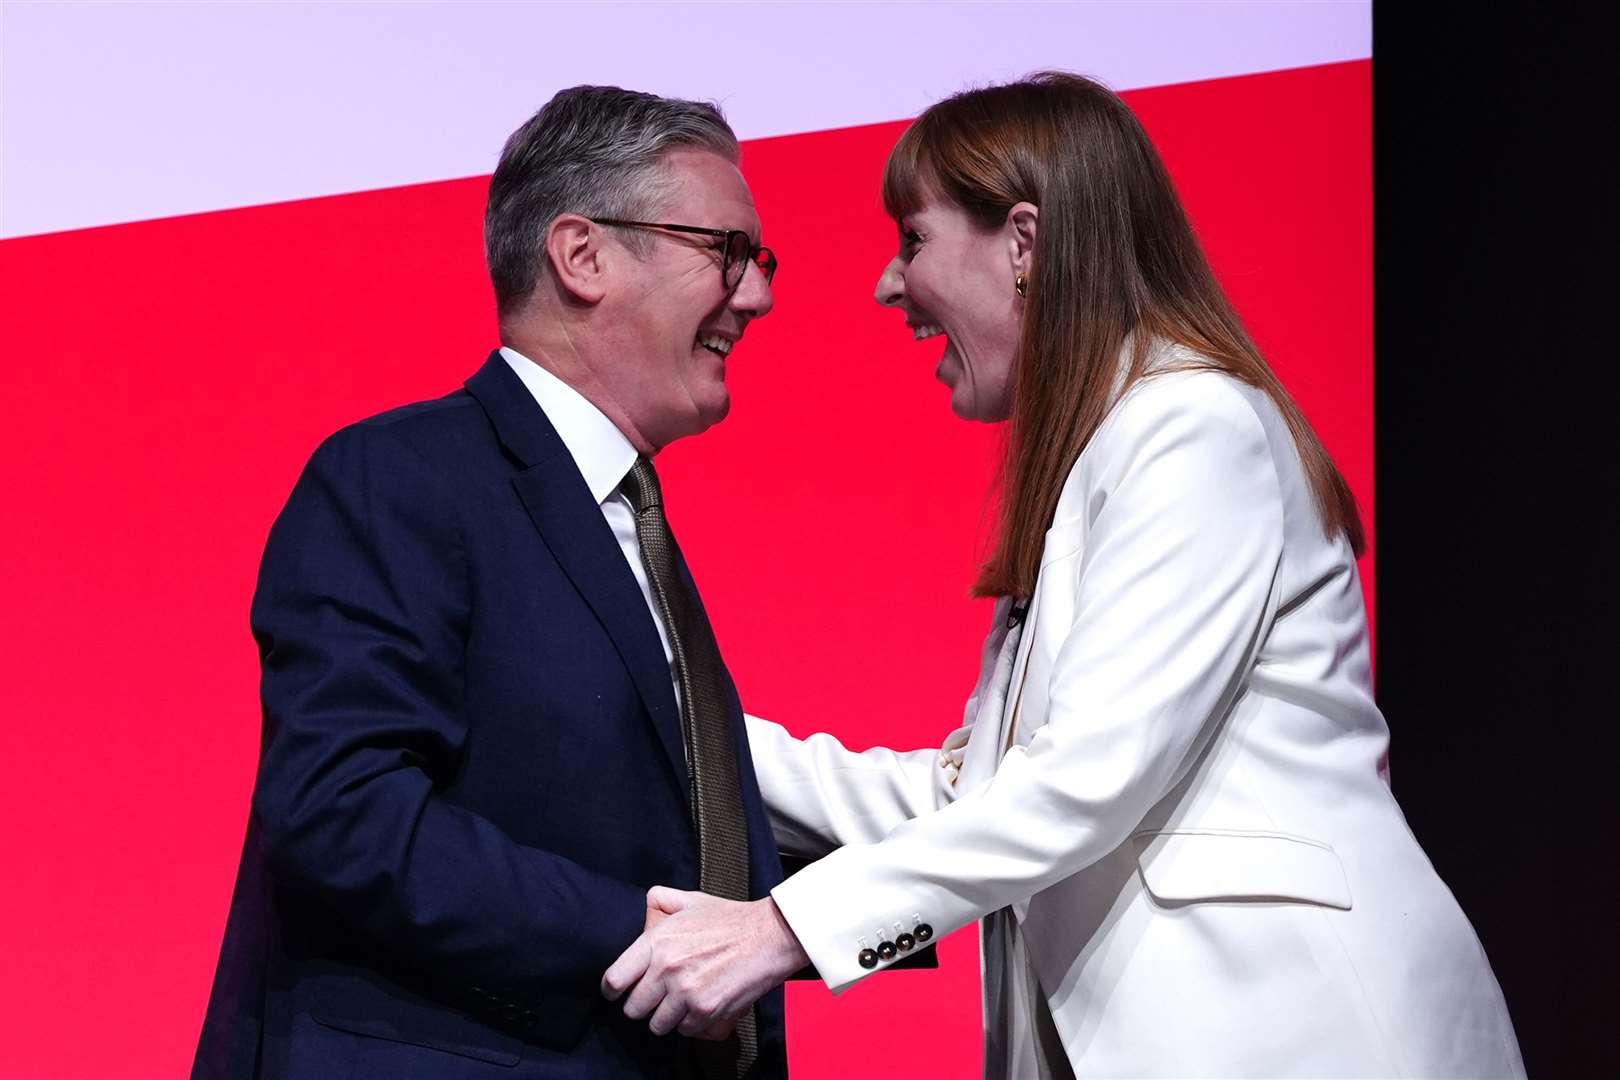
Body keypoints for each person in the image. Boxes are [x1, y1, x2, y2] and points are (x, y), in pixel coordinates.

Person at [602, 72, 1526, 1079]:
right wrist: (679, 727)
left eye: (913, 239)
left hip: (1303, 1038)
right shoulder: (1110, 455)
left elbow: (1087, 780)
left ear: (1026, 244)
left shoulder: (1191, 427)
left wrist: (785, 930)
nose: (887, 283)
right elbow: (980, 799)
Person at [192, 85, 786, 1079]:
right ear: (583, 255)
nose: (757, 294)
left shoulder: (625, 522)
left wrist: (877, 904)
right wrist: (640, 933)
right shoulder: (403, 478)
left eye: (758, 261)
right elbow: (344, 811)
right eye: (726, 250)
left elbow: (662, 818)